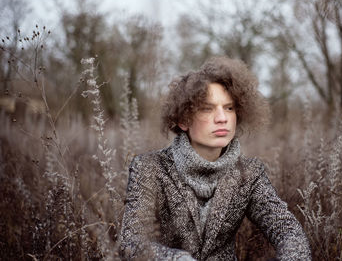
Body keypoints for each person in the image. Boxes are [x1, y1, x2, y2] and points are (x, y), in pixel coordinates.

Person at [119, 56, 311, 260]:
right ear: (183, 119)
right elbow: (131, 241)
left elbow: (288, 231)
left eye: (229, 108)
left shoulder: (249, 174)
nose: (222, 118)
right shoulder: (149, 168)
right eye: (207, 109)